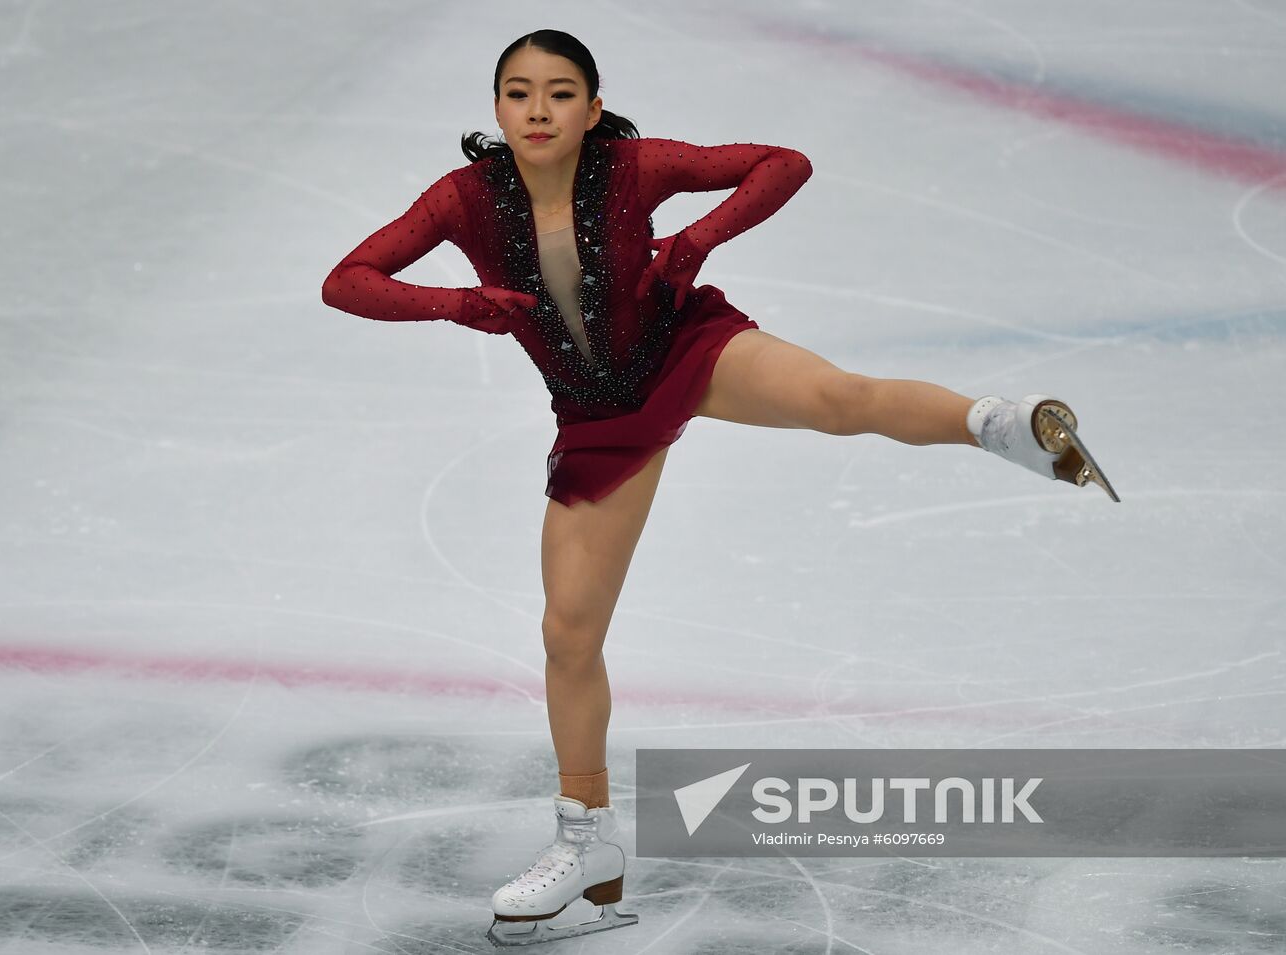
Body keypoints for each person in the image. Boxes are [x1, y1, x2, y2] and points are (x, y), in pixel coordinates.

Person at [321, 28, 1119, 947]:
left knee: (836, 398)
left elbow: (784, 163)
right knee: (567, 634)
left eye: (559, 92)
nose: (538, 110)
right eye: (518, 93)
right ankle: (588, 848)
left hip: (689, 350)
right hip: (597, 418)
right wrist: (460, 304)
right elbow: (349, 280)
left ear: (591, 103)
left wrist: (695, 239)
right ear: (497, 107)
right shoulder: (463, 198)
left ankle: (1005, 426)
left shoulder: (633, 167)